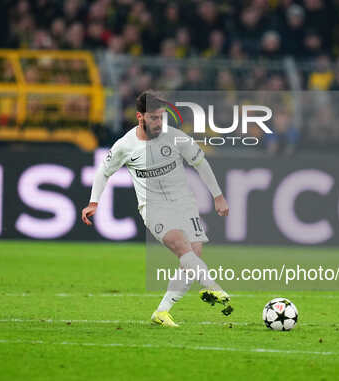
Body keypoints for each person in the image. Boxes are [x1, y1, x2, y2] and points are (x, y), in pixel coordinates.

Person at [81, 91, 232, 327]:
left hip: (184, 203)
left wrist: (218, 196)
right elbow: (104, 171)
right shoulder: (126, 145)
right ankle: (213, 287)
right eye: (153, 118)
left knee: (194, 255)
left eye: (162, 117)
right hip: (154, 208)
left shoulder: (175, 137)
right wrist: (93, 202)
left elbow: (200, 162)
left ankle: (162, 312)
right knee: (182, 248)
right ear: (140, 117)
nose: (159, 123)